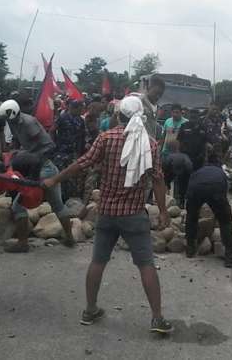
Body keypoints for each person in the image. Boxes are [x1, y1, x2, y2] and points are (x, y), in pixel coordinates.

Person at [41, 96, 174, 334]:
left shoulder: (106, 137)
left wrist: (54, 179)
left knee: (98, 262)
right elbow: (158, 181)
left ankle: (90, 310)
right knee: (146, 265)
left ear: (118, 115)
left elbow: (82, 163)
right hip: (134, 214)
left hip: (107, 213)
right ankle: (157, 319)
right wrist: (163, 211)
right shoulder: (150, 144)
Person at [0, 99, 75, 246]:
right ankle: (70, 238)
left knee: (18, 206)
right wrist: (17, 152)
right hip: (44, 167)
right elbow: (19, 142)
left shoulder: (29, 122)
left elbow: (46, 146)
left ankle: (22, 243)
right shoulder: (14, 122)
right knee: (57, 205)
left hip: (42, 167)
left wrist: (27, 157)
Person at [185, 151, 232, 268]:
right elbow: (223, 195)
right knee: (225, 220)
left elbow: (189, 188)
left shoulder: (198, 171)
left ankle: (190, 249)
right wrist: (219, 214)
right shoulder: (221, 172)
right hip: (216, 189)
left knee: (191, 217)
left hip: (195, 189)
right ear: (218, 164)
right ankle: (230, 256)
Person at [54, 99, 86, 200]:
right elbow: (52, 130)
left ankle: (69, 197)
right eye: (80, 108)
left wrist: (80, 152)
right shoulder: (62, 118)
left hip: (73, 153)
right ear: (73, 108)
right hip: (61, 152)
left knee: (72, 176)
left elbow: (82, 136)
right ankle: (61, 198)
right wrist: (54, 144)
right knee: (61, 175)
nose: (82, 111)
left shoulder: (80, 120)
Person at [162, 140, 193, 208]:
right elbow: (189, 166)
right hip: (183, 175)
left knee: (170, 187)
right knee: (181, 189)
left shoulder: (167, 156)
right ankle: (181, 204)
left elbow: (164, 166)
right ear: (178, 147)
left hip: (170, 175)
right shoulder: (184, 156)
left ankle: (170, 204)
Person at [139, 76, 165, 140]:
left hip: (150, 145)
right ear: (148, 88)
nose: (158, 97)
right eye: (155, 93)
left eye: (160, 94)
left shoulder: (157, 107)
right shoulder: (139, 103)